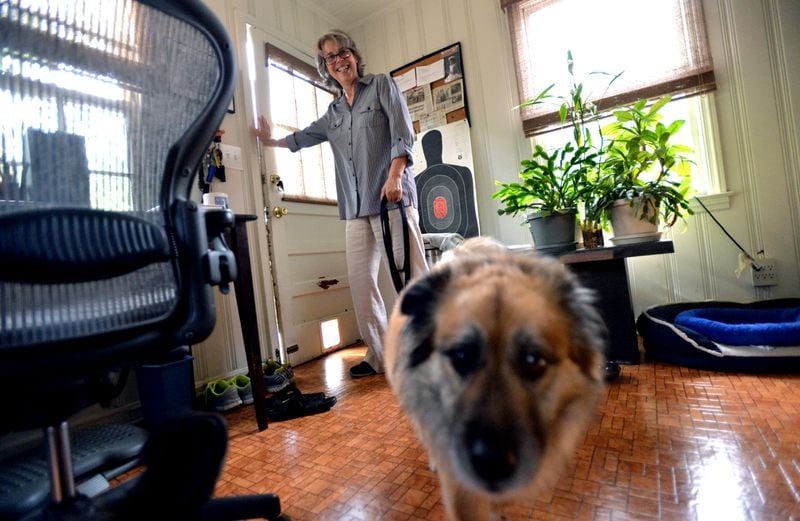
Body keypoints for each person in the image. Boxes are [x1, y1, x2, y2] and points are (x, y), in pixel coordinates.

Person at [252, 30, 428, 379]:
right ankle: (380, 357)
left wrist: (394, 177)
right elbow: (303, 137)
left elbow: (402, 133)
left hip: (391, 200)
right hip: (355, 209)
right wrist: (269, 138)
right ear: (326, 67)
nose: (338, 59)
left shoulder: (380, 86)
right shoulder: (332, 112)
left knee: (411, 279)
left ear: (354, 55)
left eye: (343, 51)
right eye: (330, 57)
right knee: (361, 286)